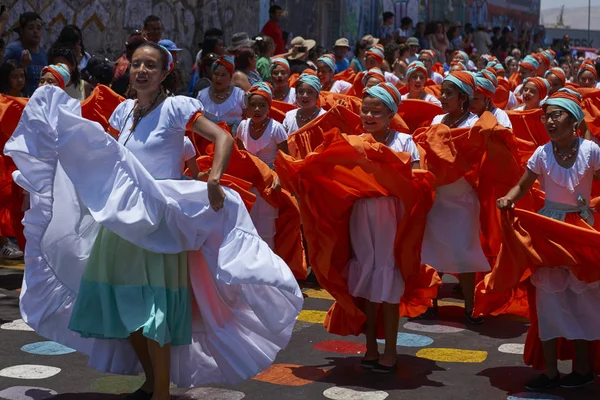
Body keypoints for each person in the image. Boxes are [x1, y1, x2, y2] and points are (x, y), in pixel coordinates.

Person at [5, 41, 303, 400]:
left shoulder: (177, 108)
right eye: (135, 64)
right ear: (128, 71)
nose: (141, 70)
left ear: (164, 74)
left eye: (150, 65)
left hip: (159, 224)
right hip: (121, 226)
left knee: (153, 313)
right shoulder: (124, 113)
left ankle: (161, 392)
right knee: (121, 308)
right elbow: (108, 159)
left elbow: (222, 137)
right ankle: (150, 382)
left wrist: (213, 177)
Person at [497, 88, 600, 391]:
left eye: (557, 115)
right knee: (550, 301)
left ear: (574, 120)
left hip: (580, 231)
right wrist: (507, 199)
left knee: (582, 300)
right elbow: (522, 185)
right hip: (549, 230)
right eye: (546, 117)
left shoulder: (591, 151)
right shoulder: (541, 153)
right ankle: (551, 372)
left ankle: (583, 370)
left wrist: (594, 204)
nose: (549, 121)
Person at [349, 82, 420, 374]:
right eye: (365, 109)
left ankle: (390, 350)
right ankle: (371, 347)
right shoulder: (355, 142)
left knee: (388, 284)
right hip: (363, 214)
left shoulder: (405, 142)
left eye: (376, 111)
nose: (368, 115)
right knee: (367, 279)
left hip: (393, 216)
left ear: (391, 114)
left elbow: (417, 181)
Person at [422, 71, 486, 323]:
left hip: (463, 197)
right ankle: (429, 303)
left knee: (465, 251)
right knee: (431, 252)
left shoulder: (475, 124)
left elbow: (479, 160)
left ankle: (470, 307)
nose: (443, 97)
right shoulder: (437, 119)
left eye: (449, 93)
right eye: (442, 92)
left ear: (463, 98)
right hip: (439, 197)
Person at [197, 55, 246, 133]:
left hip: (235, 141)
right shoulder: (202, 95)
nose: (219, 78)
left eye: (223, 75)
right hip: (208, 141)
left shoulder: (239, 95)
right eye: (216, 74)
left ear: (230, 77)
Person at [3, 12, 47, 96]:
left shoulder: (43, 53)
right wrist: (23, 66)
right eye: (31, 28)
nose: (35, 31)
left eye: (39, 28)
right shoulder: (13, 49)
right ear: (22, 31)